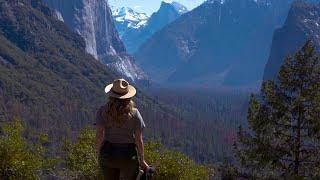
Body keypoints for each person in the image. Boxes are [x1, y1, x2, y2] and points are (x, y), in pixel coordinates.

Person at [96, 78, 149, 180]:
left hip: (108, 154)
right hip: (128, 156)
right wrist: (142, 160)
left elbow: (100, 134)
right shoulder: (135, 113)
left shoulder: (102, 111)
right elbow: (138, 139)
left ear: (111, 95)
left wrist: (98, 152)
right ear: (128, 96)